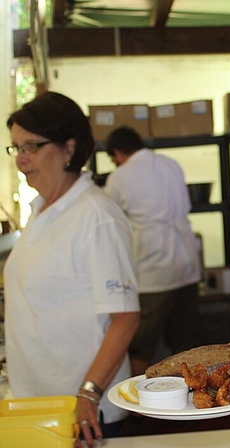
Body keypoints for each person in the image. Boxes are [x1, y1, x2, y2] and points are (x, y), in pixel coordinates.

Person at [3, 91, 140, 448]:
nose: (21, 159)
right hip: (39, 404)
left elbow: (124, 318)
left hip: (82, 414)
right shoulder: (41, 210)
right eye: (16, 148)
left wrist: (88, 394)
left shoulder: (96, 217)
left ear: (69, 148)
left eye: (32, 147)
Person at [103, 126, 202, 376]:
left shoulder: (121, 176)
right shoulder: (170, 163)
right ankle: (197, 404)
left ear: (117, 153)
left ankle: (139, 410)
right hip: (187, 262)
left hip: (153, 270)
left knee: (140, 346)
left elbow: (108, 219)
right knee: (186, 345)